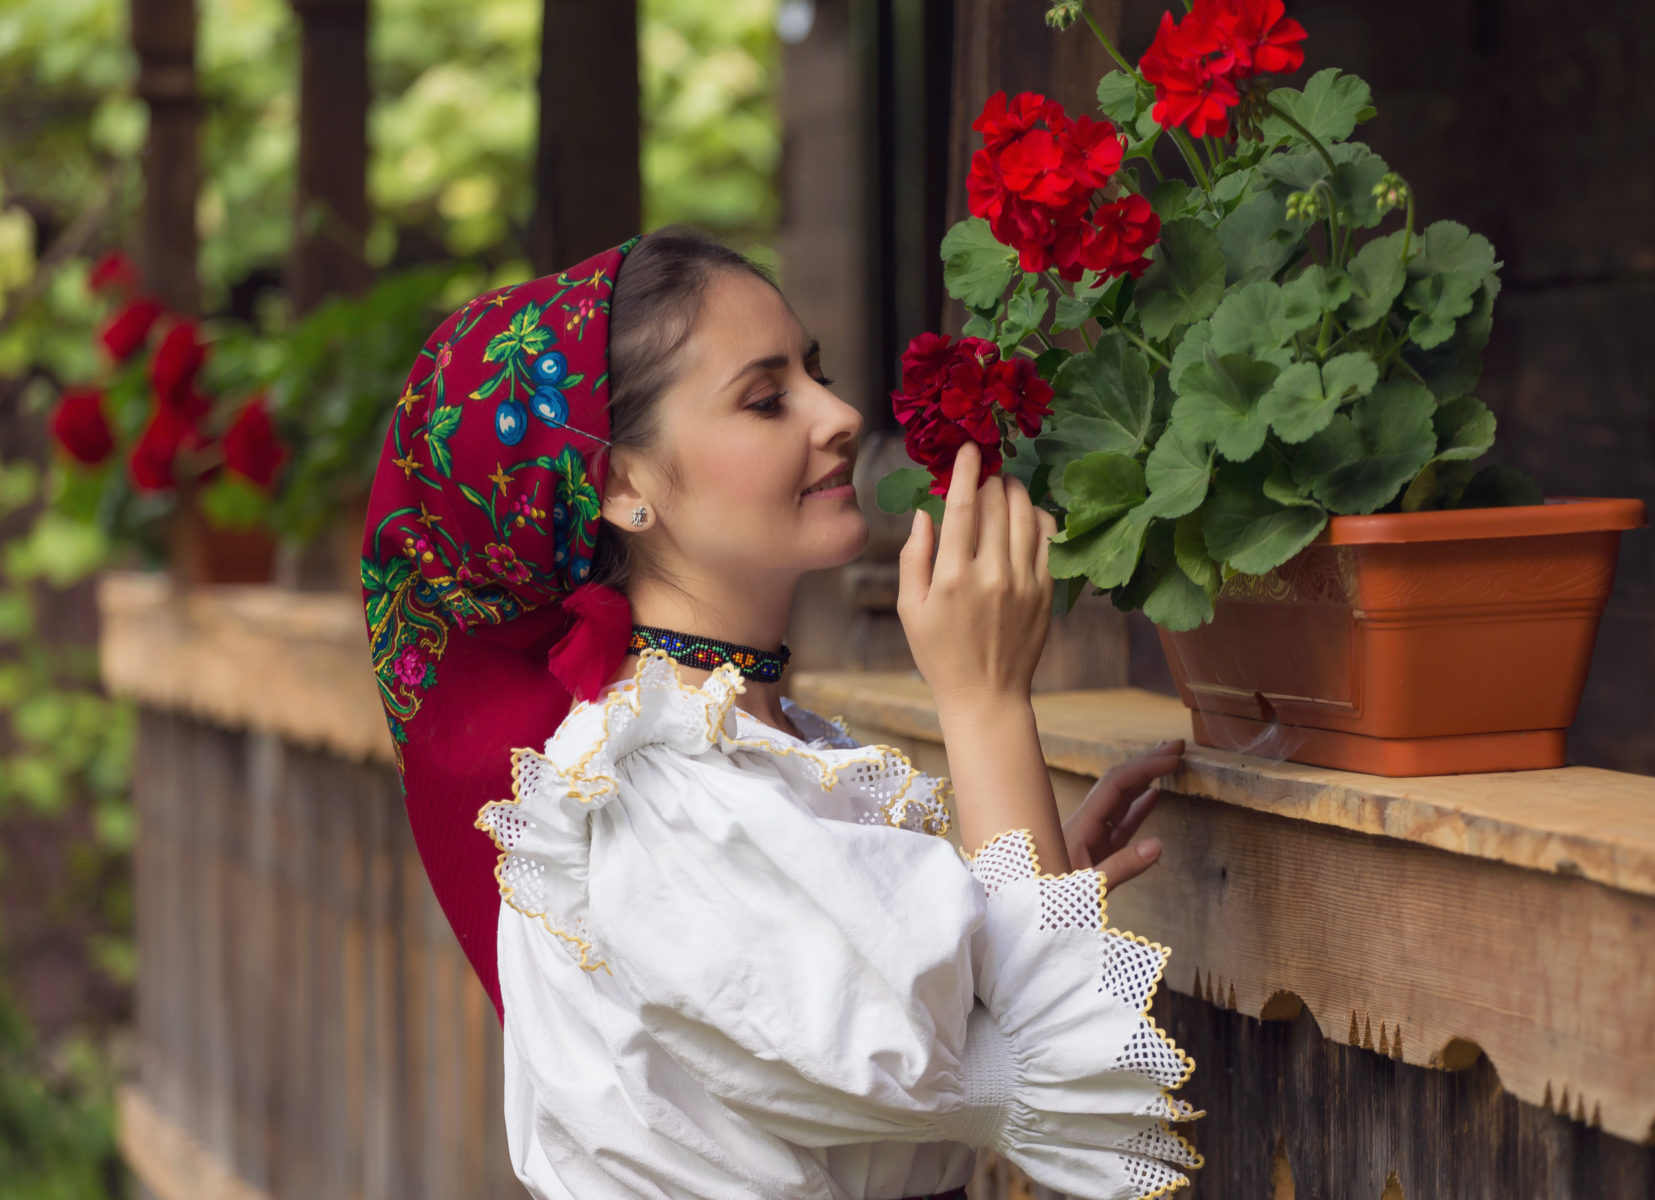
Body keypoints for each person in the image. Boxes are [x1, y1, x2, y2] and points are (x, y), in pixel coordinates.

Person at [361, 229, 1201, 1200]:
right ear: (622, 486)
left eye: (815, 372)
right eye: (766, 399)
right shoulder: (655, 802)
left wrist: (1012, 897)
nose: (840, 413)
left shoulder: (751, 750)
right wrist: (981, 705)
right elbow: (1058, 1094)